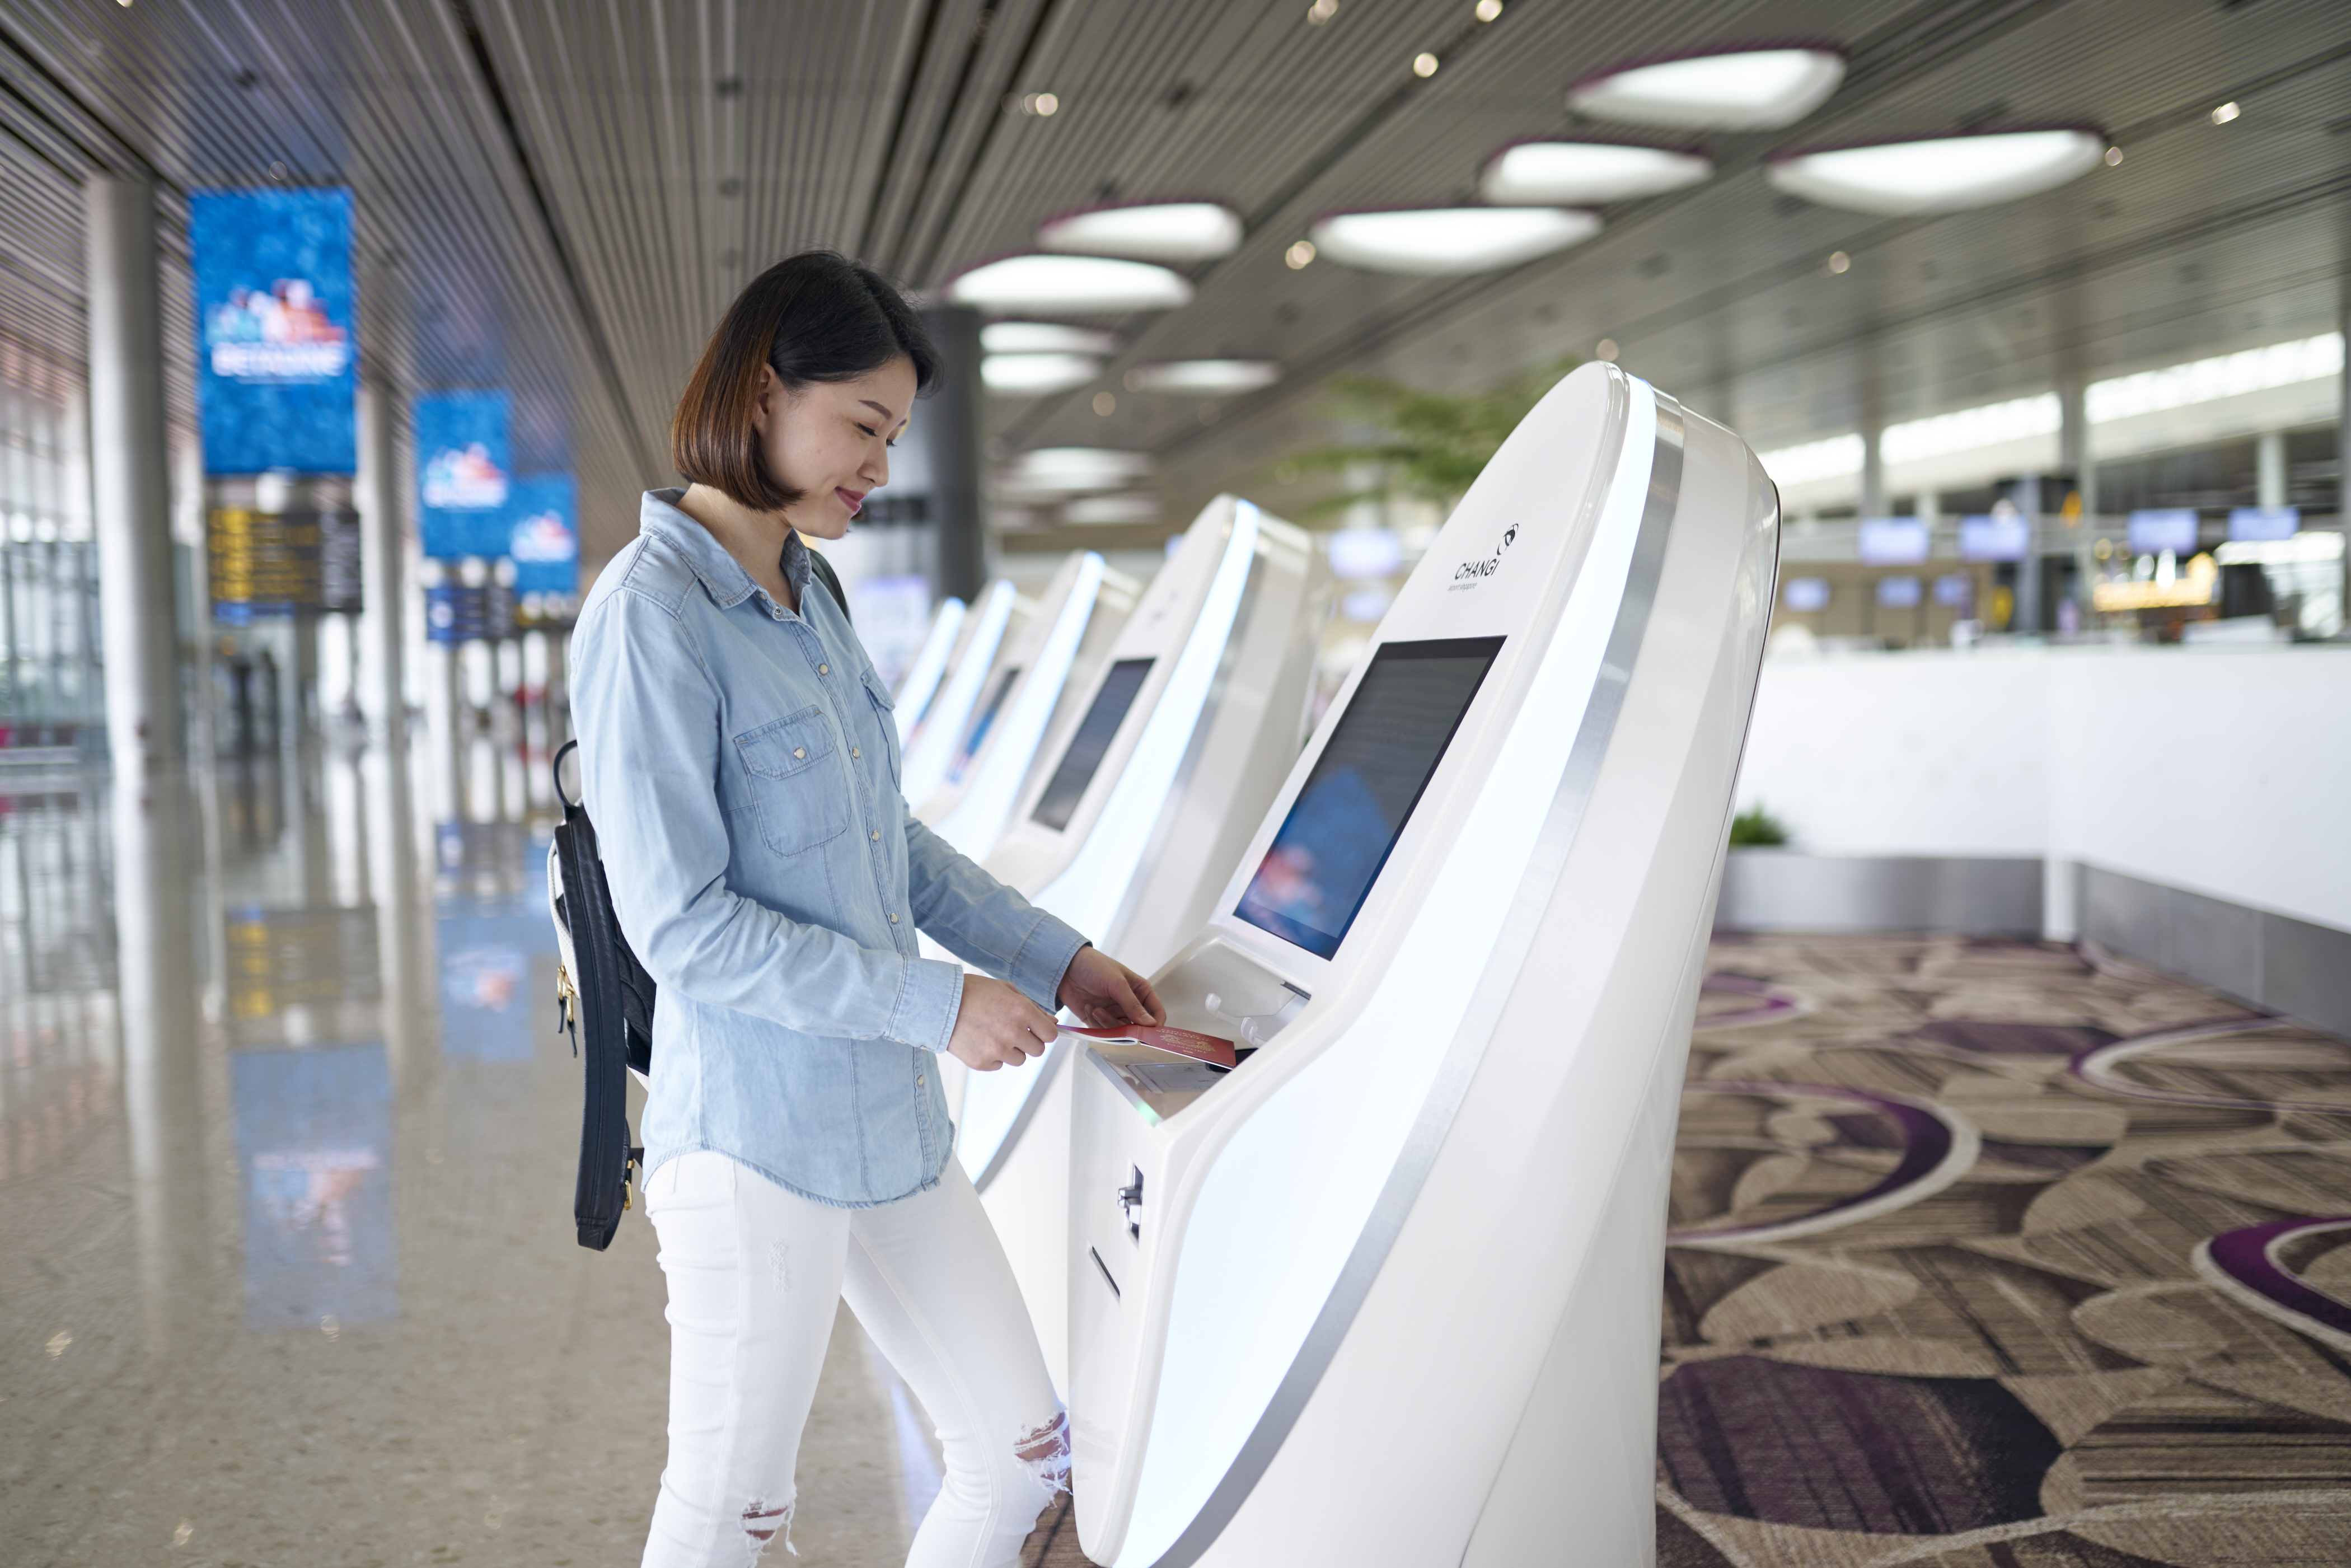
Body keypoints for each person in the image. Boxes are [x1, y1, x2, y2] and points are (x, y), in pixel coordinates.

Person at [569, 251, 1165, 1568]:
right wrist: (939, 1002)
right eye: (862, 427)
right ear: (765, 391)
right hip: (756, 1136)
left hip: (887, 1126)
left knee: (1025, 1458)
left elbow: (889, 845)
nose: (878, 469)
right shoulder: (650, 615)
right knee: (734, 1515)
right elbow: (683, 925)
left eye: (891, 439)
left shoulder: (813, 593)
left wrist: (1054, 958)